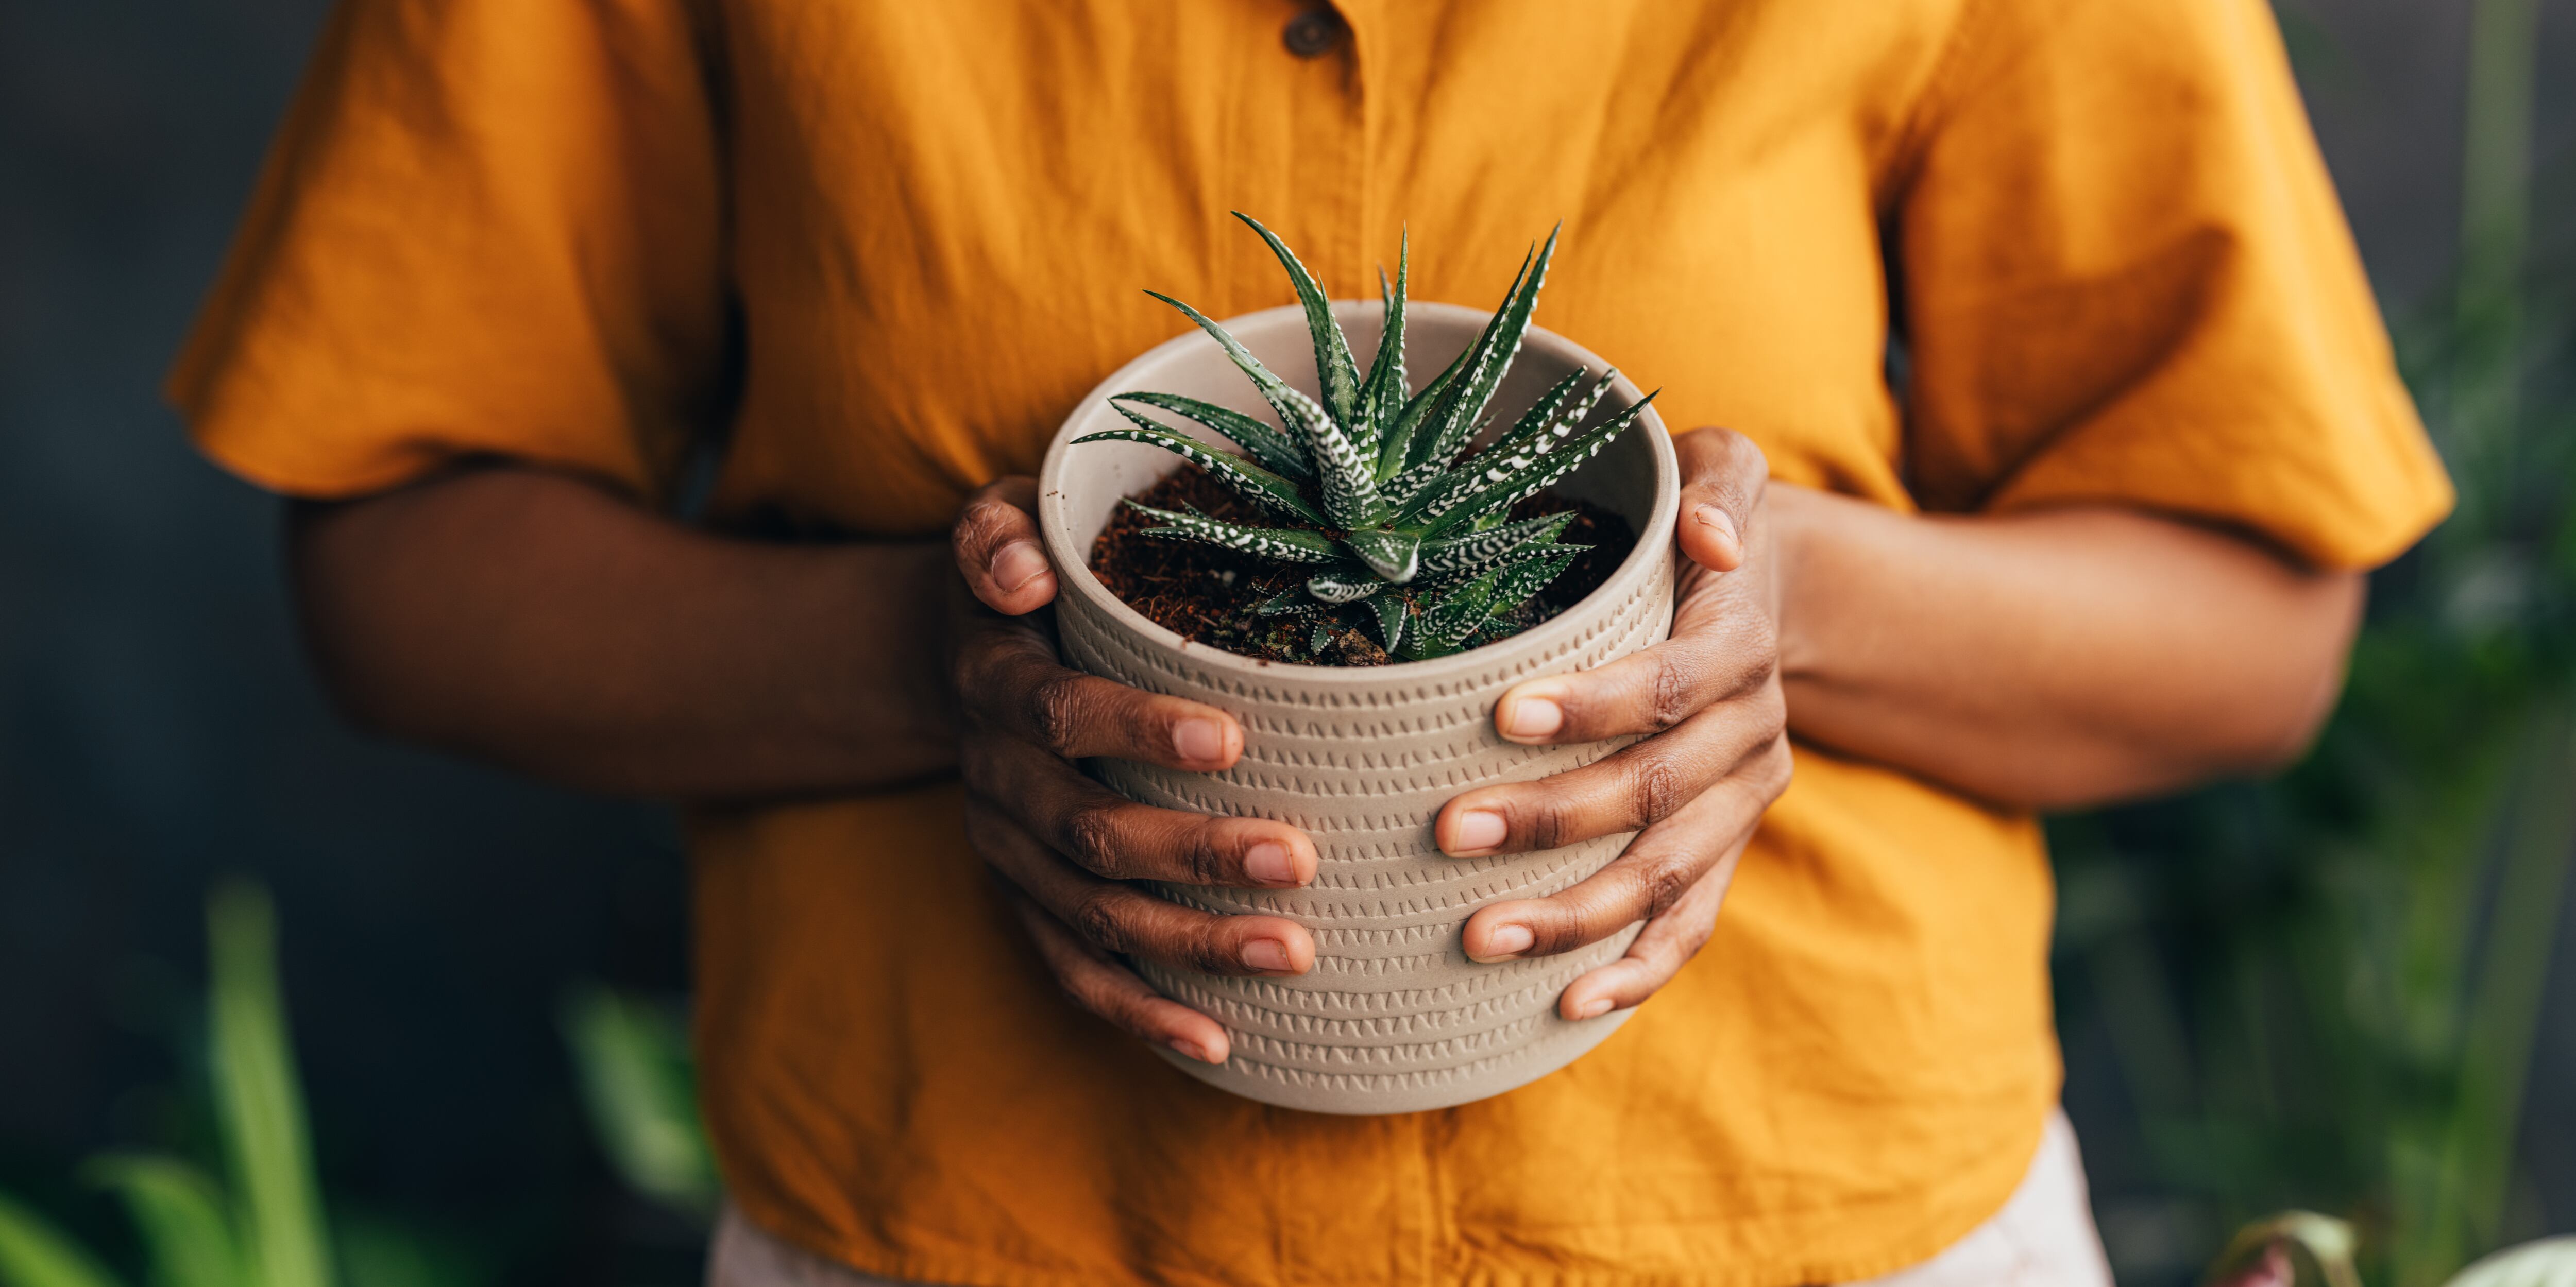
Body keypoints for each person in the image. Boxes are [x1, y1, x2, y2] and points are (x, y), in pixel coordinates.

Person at [170, 0, 2453, 1283]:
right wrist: (941, 672)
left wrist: (1789, 617)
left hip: (1799, 1219)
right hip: (974, 1231)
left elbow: (2246, 625)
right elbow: (398, 558)